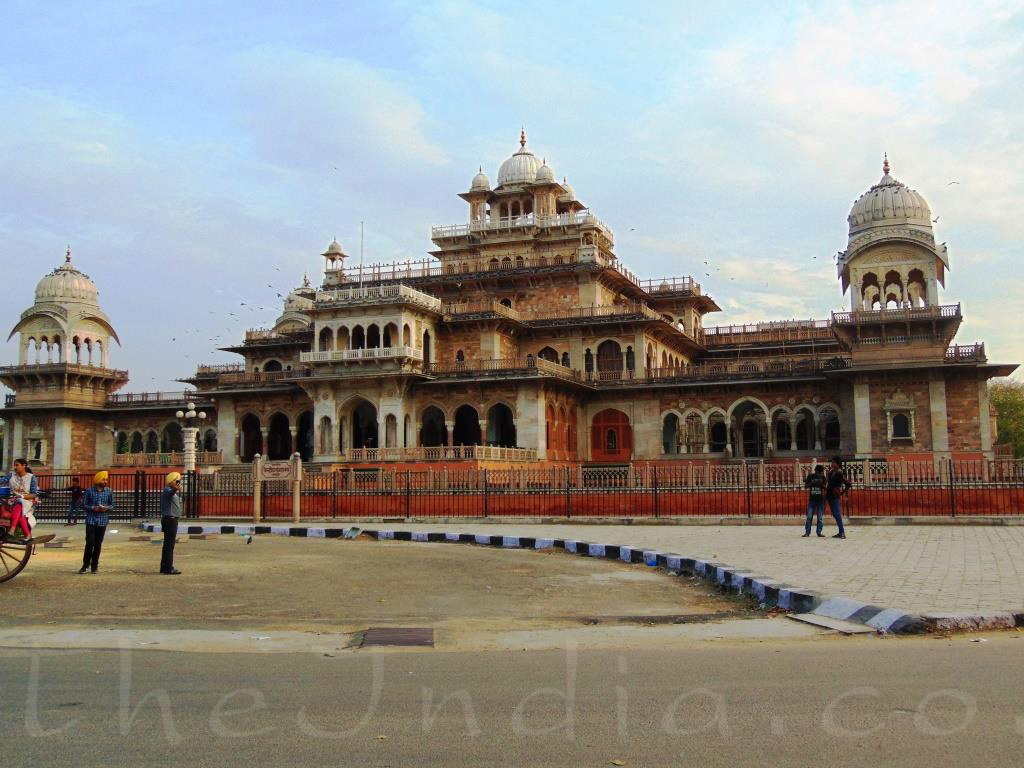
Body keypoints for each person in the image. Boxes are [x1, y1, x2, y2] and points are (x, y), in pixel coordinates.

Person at [81, 470, 115, 573]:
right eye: (103, 479)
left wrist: (106, 508)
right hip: (91, 520)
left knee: (98, 544)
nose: (105, 481)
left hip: (102, 521)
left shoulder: (109, 491)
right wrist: (93, 508)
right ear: (98, 480)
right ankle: (85, 565)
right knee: (90, 543)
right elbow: (84, 505)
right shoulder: (89, 491)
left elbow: (112, 505)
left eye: (106, 480)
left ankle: (94, 566)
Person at [6, 458, 38, 540]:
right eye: (14, 465)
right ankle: (27, 535)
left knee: (20, 502)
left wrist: (23, 497)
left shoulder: (31, 477)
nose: (15, 467)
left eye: (17, 465)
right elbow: (2, 480)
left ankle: (12, 529)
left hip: (28, 502)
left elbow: (34, 494)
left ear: (24, 466)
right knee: (20, 508)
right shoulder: (11, 476)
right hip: (12, 501)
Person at [159, 472, 182, 575]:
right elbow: (171, 493)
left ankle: (165, 566)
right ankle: (168, 567)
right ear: (172, 481)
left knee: (168, 545)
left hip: (170, 519)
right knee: (169, 545)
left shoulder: (169, 490)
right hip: (170, 520)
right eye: (176, 480)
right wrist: (175, 488)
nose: (178, 482)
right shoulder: (168, 490)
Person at [825, 456, 852, 539]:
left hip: (835, 495)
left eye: (834, 462)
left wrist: (841, 492)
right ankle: (840, 532)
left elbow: (848, 484)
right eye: (832, 462)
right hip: (829, 494)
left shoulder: (839, 473)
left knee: (837, 513)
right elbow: (827, 483)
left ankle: (842, 532)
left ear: (838, 464)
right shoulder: (831, 472)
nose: (832, 464)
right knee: (835, 514)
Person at [802, 464, 827, 537]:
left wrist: (821, 484)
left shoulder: (823, 477)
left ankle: (819, 532)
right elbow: (806, 486)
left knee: (820, 517)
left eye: (819, 473)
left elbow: (825, 488)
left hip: (820, 500)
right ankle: (807, 532)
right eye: (818, 472)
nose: (818, 474)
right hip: (812, 499)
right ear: (815, 471)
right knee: (809, 516)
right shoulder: (810, 476)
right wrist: (812, 483)